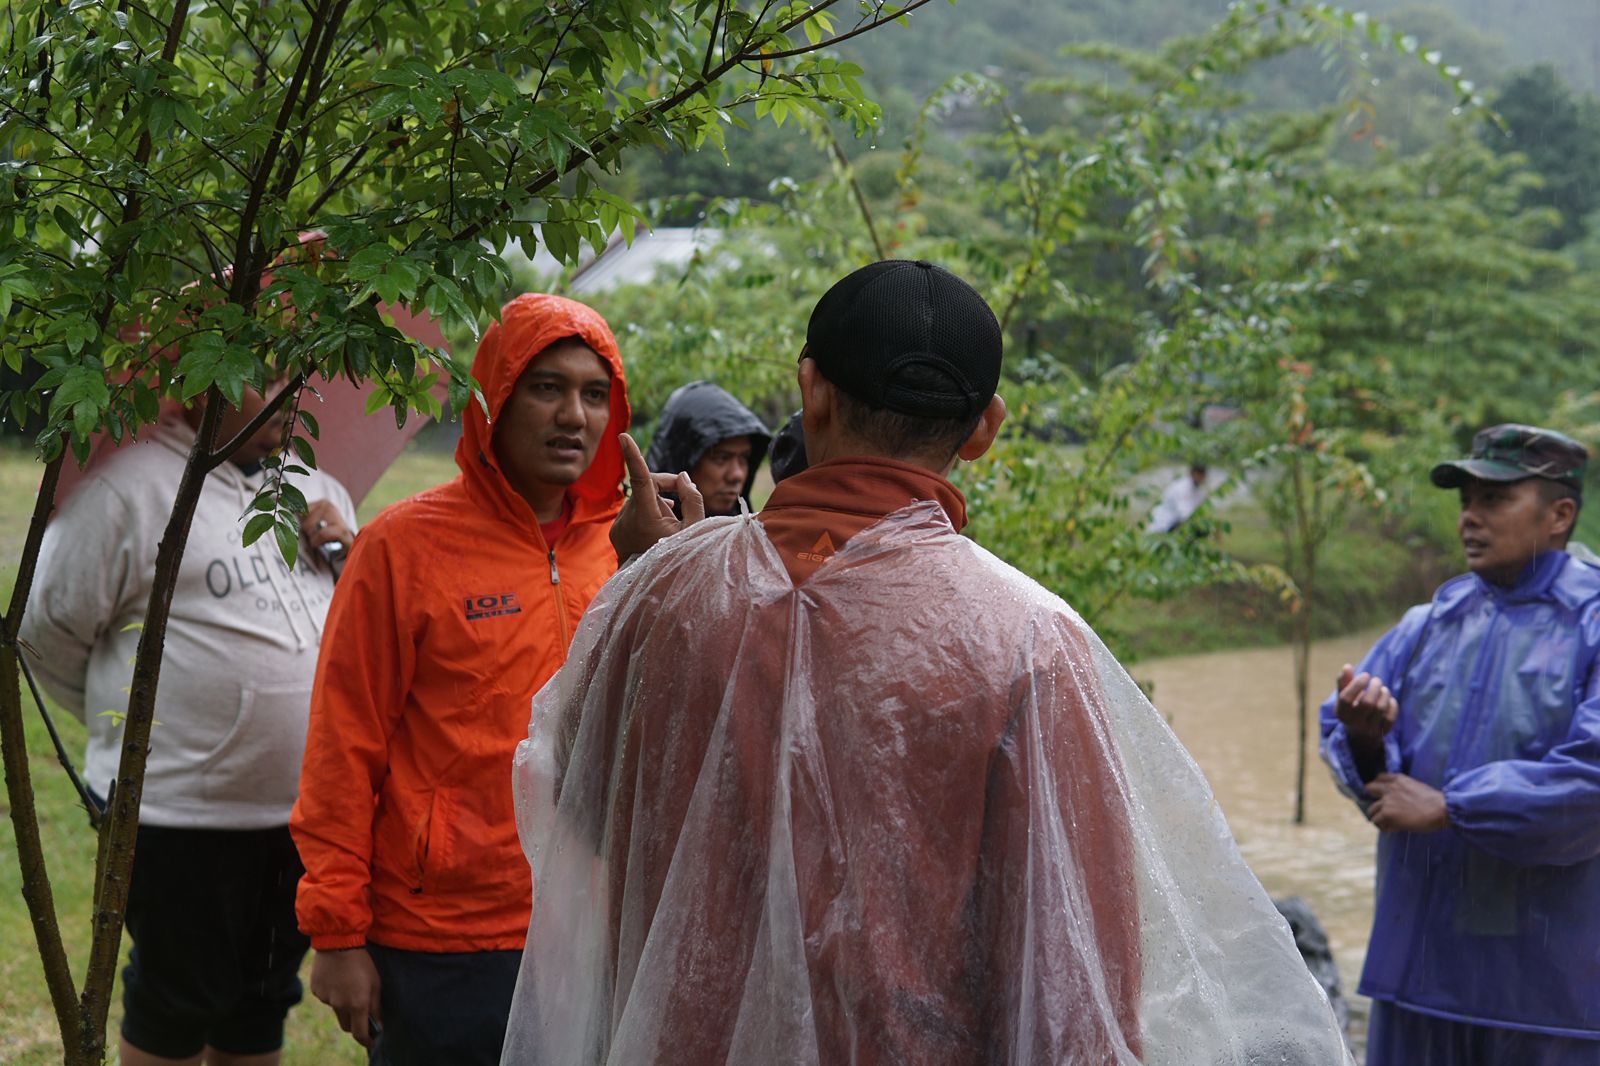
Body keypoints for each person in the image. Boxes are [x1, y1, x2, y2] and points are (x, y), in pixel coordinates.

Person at [503, 260, 1352, 1066]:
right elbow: (1075, 993)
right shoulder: (1024, 639)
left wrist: (644, 581)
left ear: (812, 393)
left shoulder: (667, 598)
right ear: (985, 430)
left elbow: (577, 805)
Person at [290, 293, 644, 1066]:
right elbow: (342, 747)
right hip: (440, 939)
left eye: (595, 394)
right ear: (494, 399)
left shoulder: (629, 549)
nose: (574, 416)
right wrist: (338, 933)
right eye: (547, 387)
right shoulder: (404, 548)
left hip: (590, 926)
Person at [22, 387, 355, 1066]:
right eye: (260, 367)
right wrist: (131, 724)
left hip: (299, 809)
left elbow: (351, 627)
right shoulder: (129, 491)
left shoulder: (319, 489)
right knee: (176, 1001)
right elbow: (45, 631)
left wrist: (347, 555)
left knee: (261, 1000)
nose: (288, 390)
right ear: (201, 375)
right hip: (177, 812)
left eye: (296, 365)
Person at [1320, 423, 1600, 1066]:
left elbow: (1591, 783)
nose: (1469, 518)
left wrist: (1455, 807)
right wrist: (1367, 742)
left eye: (1495, 500)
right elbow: (1348, 746)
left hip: (1550, 995)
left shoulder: (1590, 626)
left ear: (1559, 514)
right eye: (1465, 501)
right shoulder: (1429, 624)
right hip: (1418, 973)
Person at [644, 380, 771, 516]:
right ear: (684, 459)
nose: (737, 475)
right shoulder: (637, 533)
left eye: (744, 458)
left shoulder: (750, 534)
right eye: (722, 458)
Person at [1146, 461, 1210, 533]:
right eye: (1199, 474)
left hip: (1176, 522)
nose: (1201, 477)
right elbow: (1184, 513)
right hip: (1165, 524)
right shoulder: (1182, 487)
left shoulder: (1198, 489)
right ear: (1192, 473)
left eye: (1202, 475)